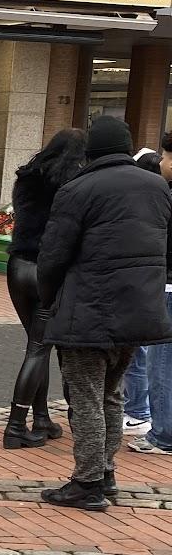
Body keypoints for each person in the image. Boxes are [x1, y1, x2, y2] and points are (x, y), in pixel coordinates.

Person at [37, 116, 172, 511]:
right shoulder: (156, 187)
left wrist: (48, 298)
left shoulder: (77, 188)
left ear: (91, 150)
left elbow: (53, 254)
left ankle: (88, 481)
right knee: (112, 395)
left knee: (86, 397)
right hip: (138, 308)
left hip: (88, 307)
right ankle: (106, 472)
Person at [1, 129, 87, 448]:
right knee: (38, 349)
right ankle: (15, 426)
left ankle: (41, 418)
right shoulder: (72, 184)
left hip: (17, 266)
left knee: (37, 345)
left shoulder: (27, 177)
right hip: (46, 271)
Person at [132, 132, 172, 457]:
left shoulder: (166, 196)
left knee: (161, 364)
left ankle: (164, 434)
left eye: (166, 156)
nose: (162, 162)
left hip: (168, 286)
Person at [122, 149, 162, 434]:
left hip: (144, 286)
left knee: (137, 353)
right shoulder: (160, 199)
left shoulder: (143, 205)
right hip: (154, 285)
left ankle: (138, 411)